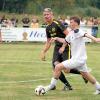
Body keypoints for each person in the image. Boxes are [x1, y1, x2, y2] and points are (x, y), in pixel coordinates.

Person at [45, 16, 100, 95]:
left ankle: (51, 86)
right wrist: (58, 40)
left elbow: (89, 36)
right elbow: (65, 40)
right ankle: (99, 88)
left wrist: (95, 39)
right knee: (86, 75)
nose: (69, 23)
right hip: (80, 59)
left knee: (57, 67)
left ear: (76, 23)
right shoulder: (71, 32)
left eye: (71, 22)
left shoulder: (78, 31)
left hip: (78, 59)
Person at [41, 8, 87, 91]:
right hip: (57, 48)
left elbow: (69, 35)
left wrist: (64, 44)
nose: (46, 16)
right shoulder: (47, 27)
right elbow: (48, 41)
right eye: (44, 15)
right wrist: (43, 51)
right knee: (55, 66)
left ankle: (83, 73)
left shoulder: (58, 23)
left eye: (48, 14)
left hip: (65, 47)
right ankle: (67, 86)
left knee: (67, 70)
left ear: (52, 15)